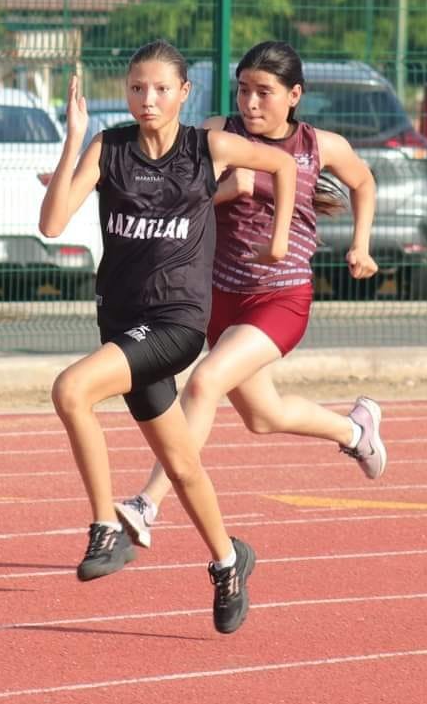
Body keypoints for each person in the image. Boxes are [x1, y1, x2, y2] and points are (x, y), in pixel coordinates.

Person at [39, 39, 298, 634]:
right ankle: (229, 560)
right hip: (123, 322)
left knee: (72, 390)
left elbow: (281, 164)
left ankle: (105, 525)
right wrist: (74, 137)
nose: (147, 99)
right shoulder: (111, 148)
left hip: (177, 323)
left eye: (160, 89)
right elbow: (52, 224)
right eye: (136, 88)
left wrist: (279, 237)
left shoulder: (205, 147)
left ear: (184, 94)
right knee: (181, 466)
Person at [114, 40, 385, 553]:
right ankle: (354, 432)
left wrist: (361, 245)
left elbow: (363, 182)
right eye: (243, 91)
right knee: (264, 416)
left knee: (203, 383)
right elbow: (175, 196)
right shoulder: (216, 134)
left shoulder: (318, 145)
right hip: (217, 296)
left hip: (279, 299)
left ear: (294, 96)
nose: (251, 104)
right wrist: (227, 189)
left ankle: (147, 502)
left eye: (264, 93)